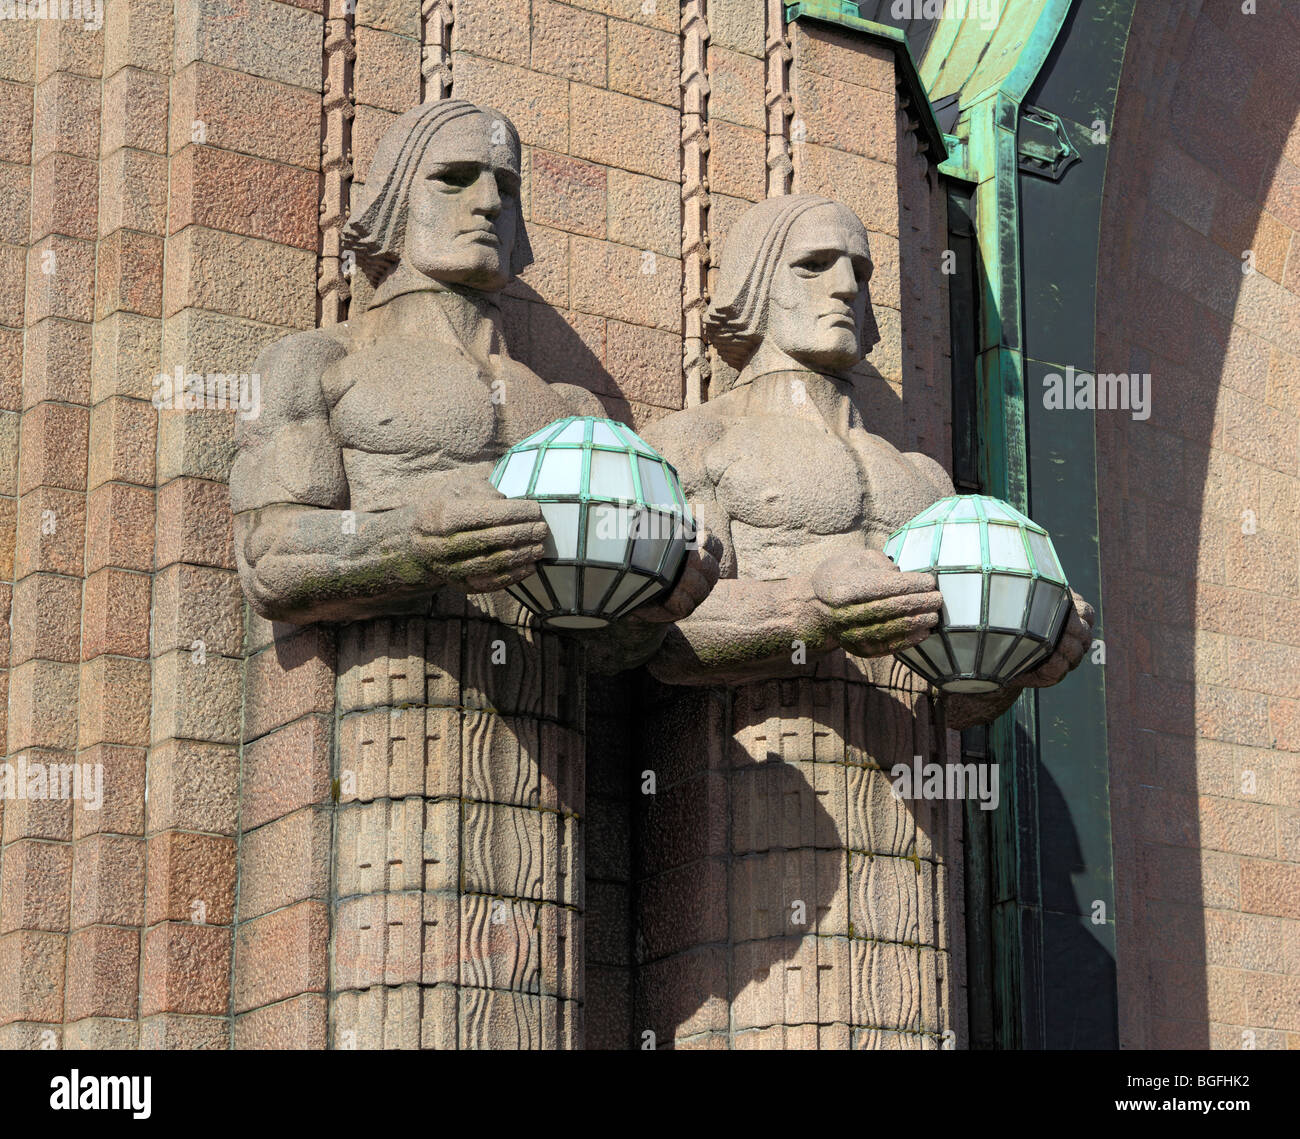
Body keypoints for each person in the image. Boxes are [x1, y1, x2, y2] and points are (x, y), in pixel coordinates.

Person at [231, 100, 717, 632]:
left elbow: (603, 655)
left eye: (506, 188)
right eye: (454, 179)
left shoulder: (575, 414)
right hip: (387, 688)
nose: (488, 203)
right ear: (396, 202)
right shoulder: (318, 362)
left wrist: (650, 602)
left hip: (550, 703)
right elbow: (268, 558)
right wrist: (412, 542)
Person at [642, 194, 1093, 724]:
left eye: (860, 271)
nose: (845, 288)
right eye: (812, 266)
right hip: (758, 760)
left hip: (914, 784)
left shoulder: (925, 482)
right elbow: (655, 636)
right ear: (754, 283)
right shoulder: (692, 442)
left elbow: (955, 705)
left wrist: (1023, 653)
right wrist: (809, 610)